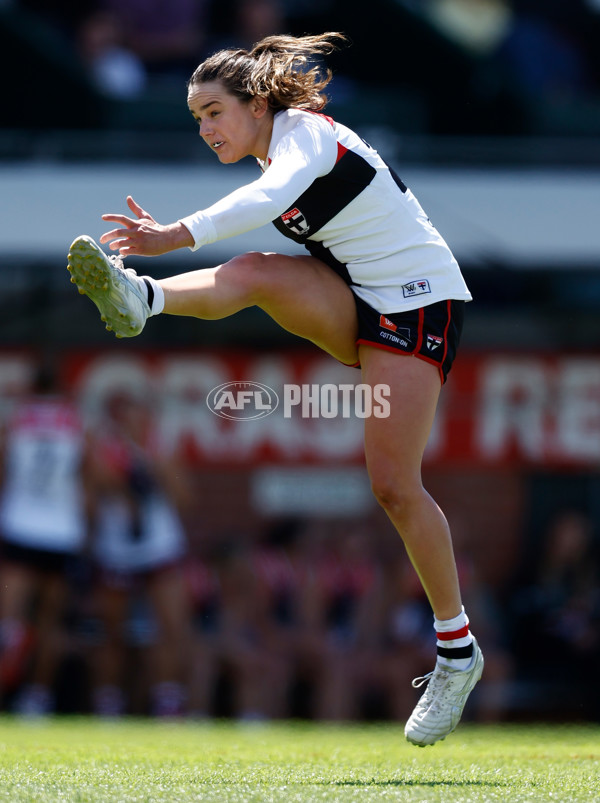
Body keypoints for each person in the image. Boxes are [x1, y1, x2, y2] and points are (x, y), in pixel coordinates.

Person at [66, 31, 483, 745]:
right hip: (362, 298)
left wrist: (177, 232)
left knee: (393, 484)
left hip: (418, 301)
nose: (205, 130)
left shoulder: (307, 136)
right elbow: (266, 205)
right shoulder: (270, 145)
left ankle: (457, 652)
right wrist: (169, 248)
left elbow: (270, 195)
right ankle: (142, 300)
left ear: (258, 104)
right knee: (259, 272)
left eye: (214, 112)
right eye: (196, 119)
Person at [89, 390, 193, 718]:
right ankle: (108, 702)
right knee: (113, 630)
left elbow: (184, 498)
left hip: (160, 545)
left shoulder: (162, 449)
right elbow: (98, 490)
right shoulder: (101, 450)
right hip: (117, 547)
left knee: (170, 625)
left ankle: (168, 701)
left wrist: (155, 465)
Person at [0, 360, 93, 715]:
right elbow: (88, 478)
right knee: (51, 620)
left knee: (11, 615)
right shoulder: (75, 422)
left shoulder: (17, 420)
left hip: (20, 523)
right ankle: (37, 698)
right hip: (62, 530)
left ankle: (13, 652)